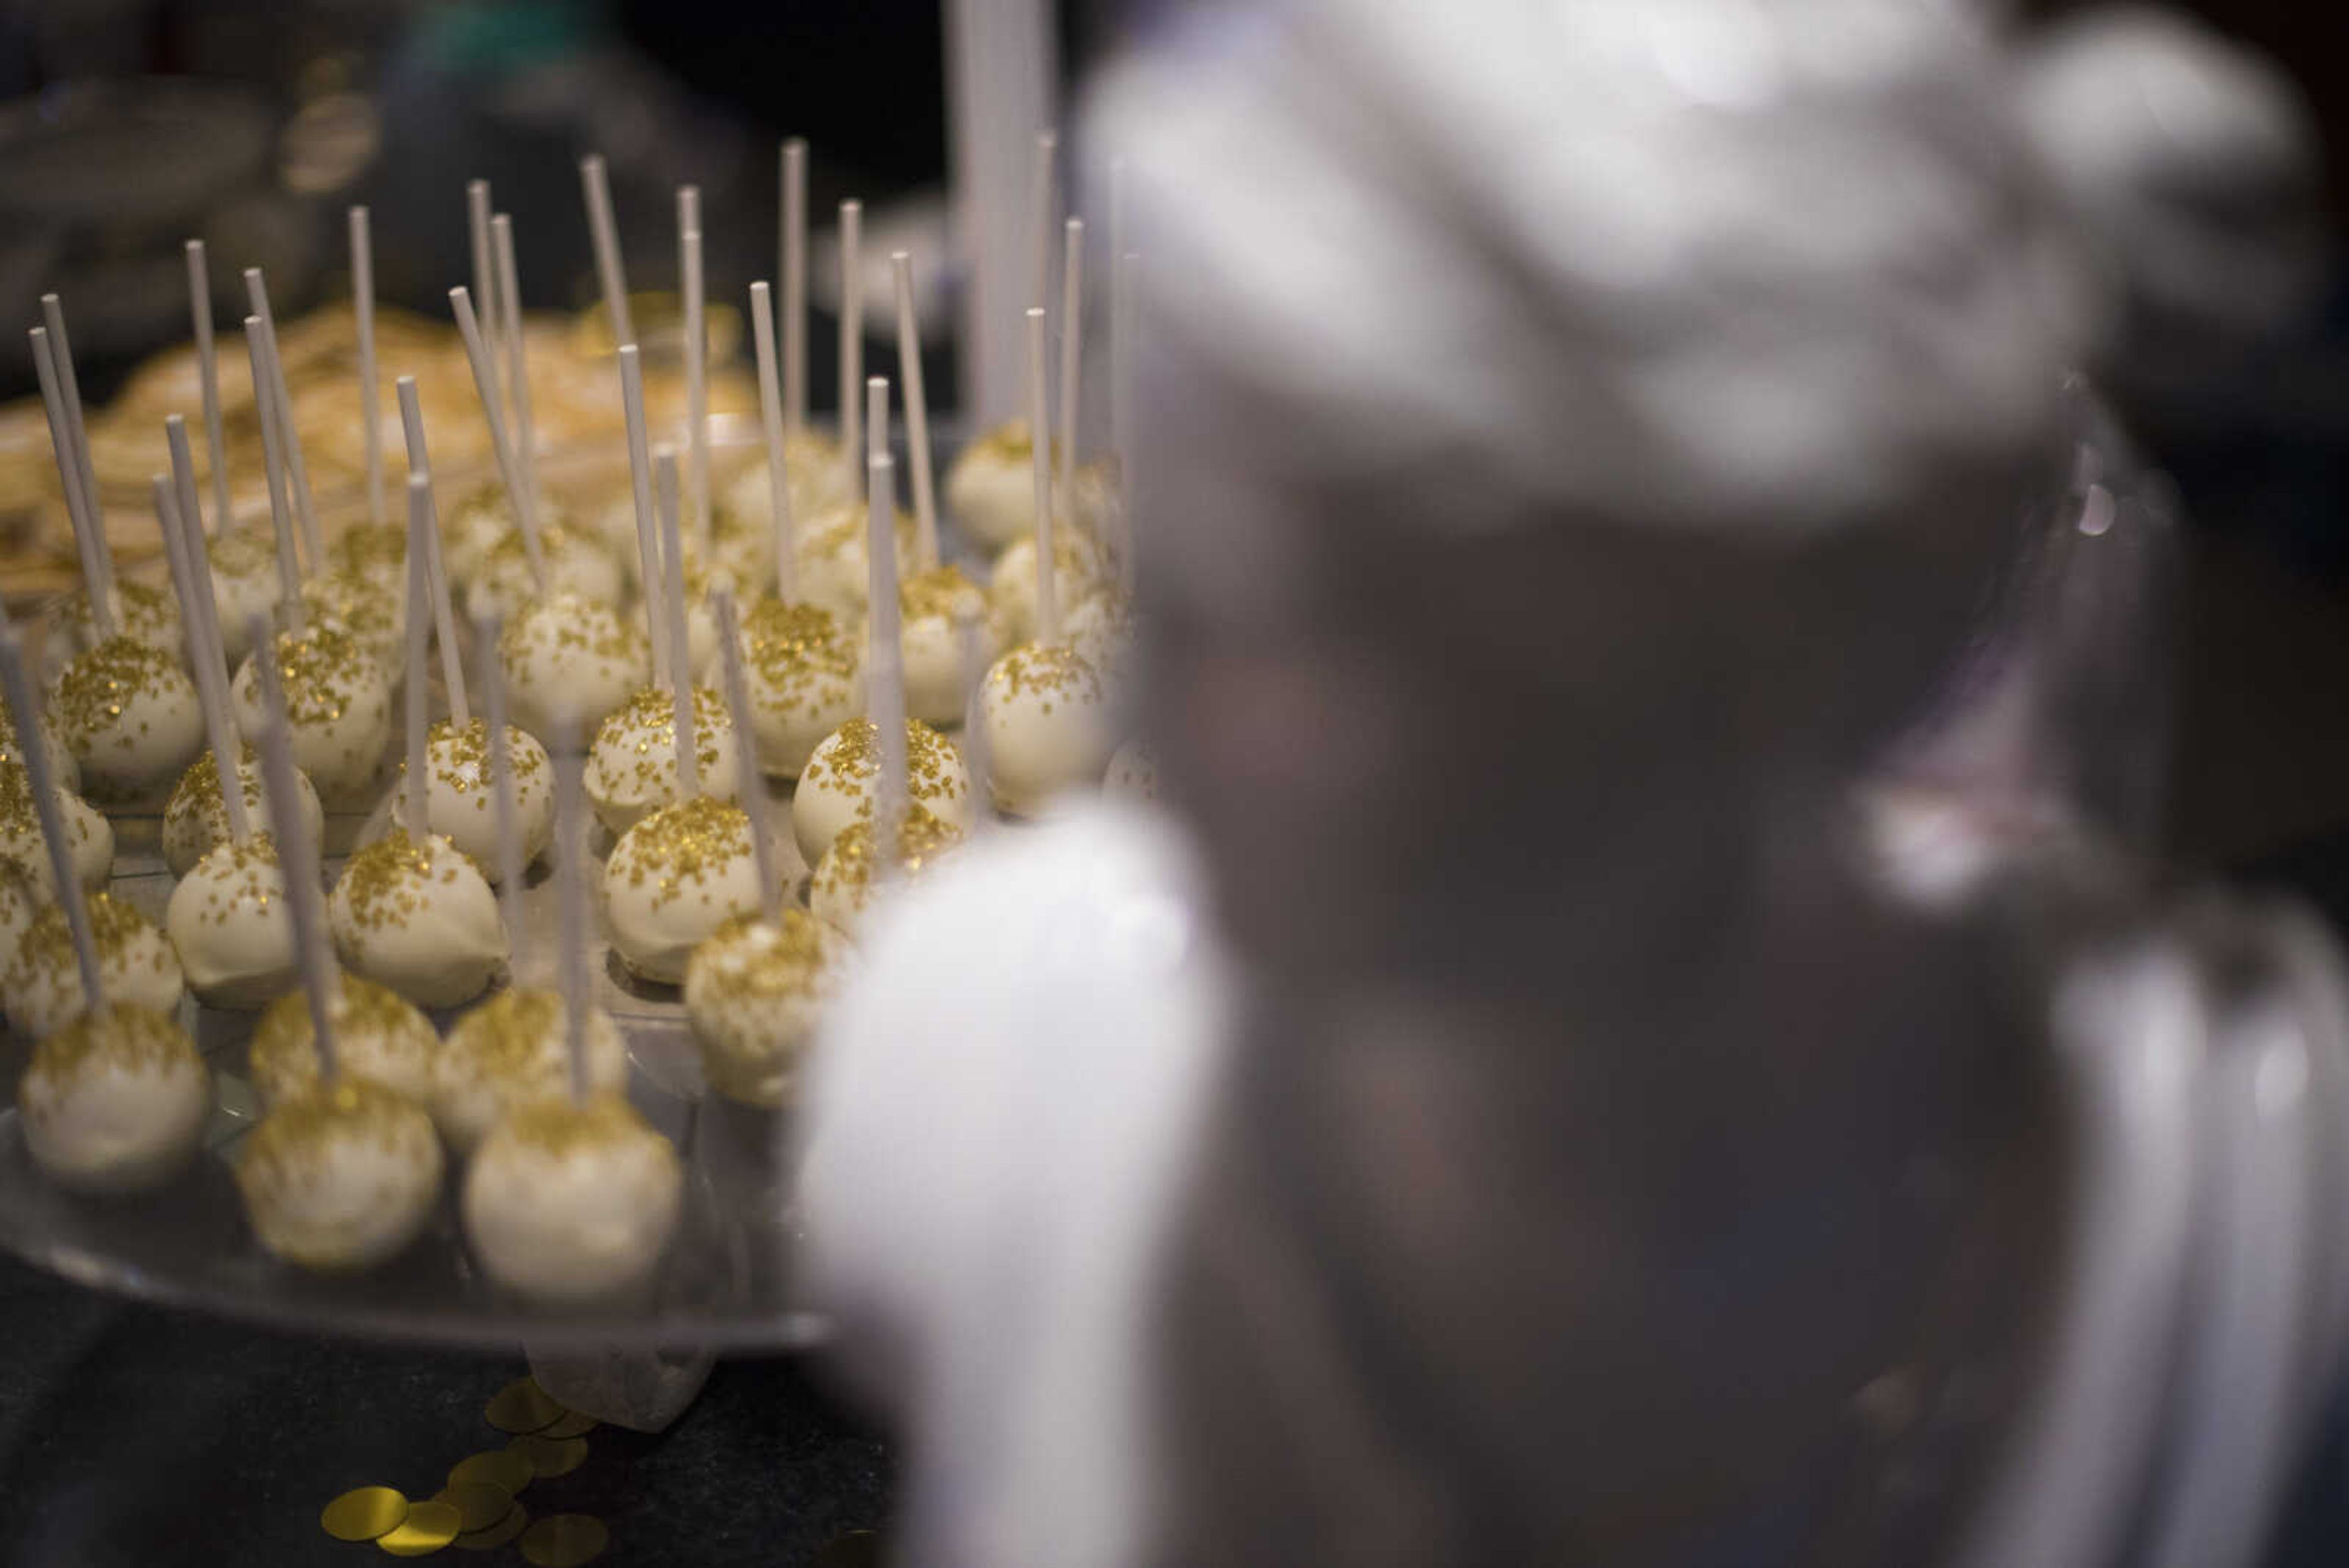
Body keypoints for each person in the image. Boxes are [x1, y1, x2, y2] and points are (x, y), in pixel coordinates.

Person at [800, 4, 2347, 1565]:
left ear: (1758, 652)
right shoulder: (983, 1053)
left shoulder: (2231, 1179)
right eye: (1161, 578)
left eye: (1253, 625)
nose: (1133, 698)